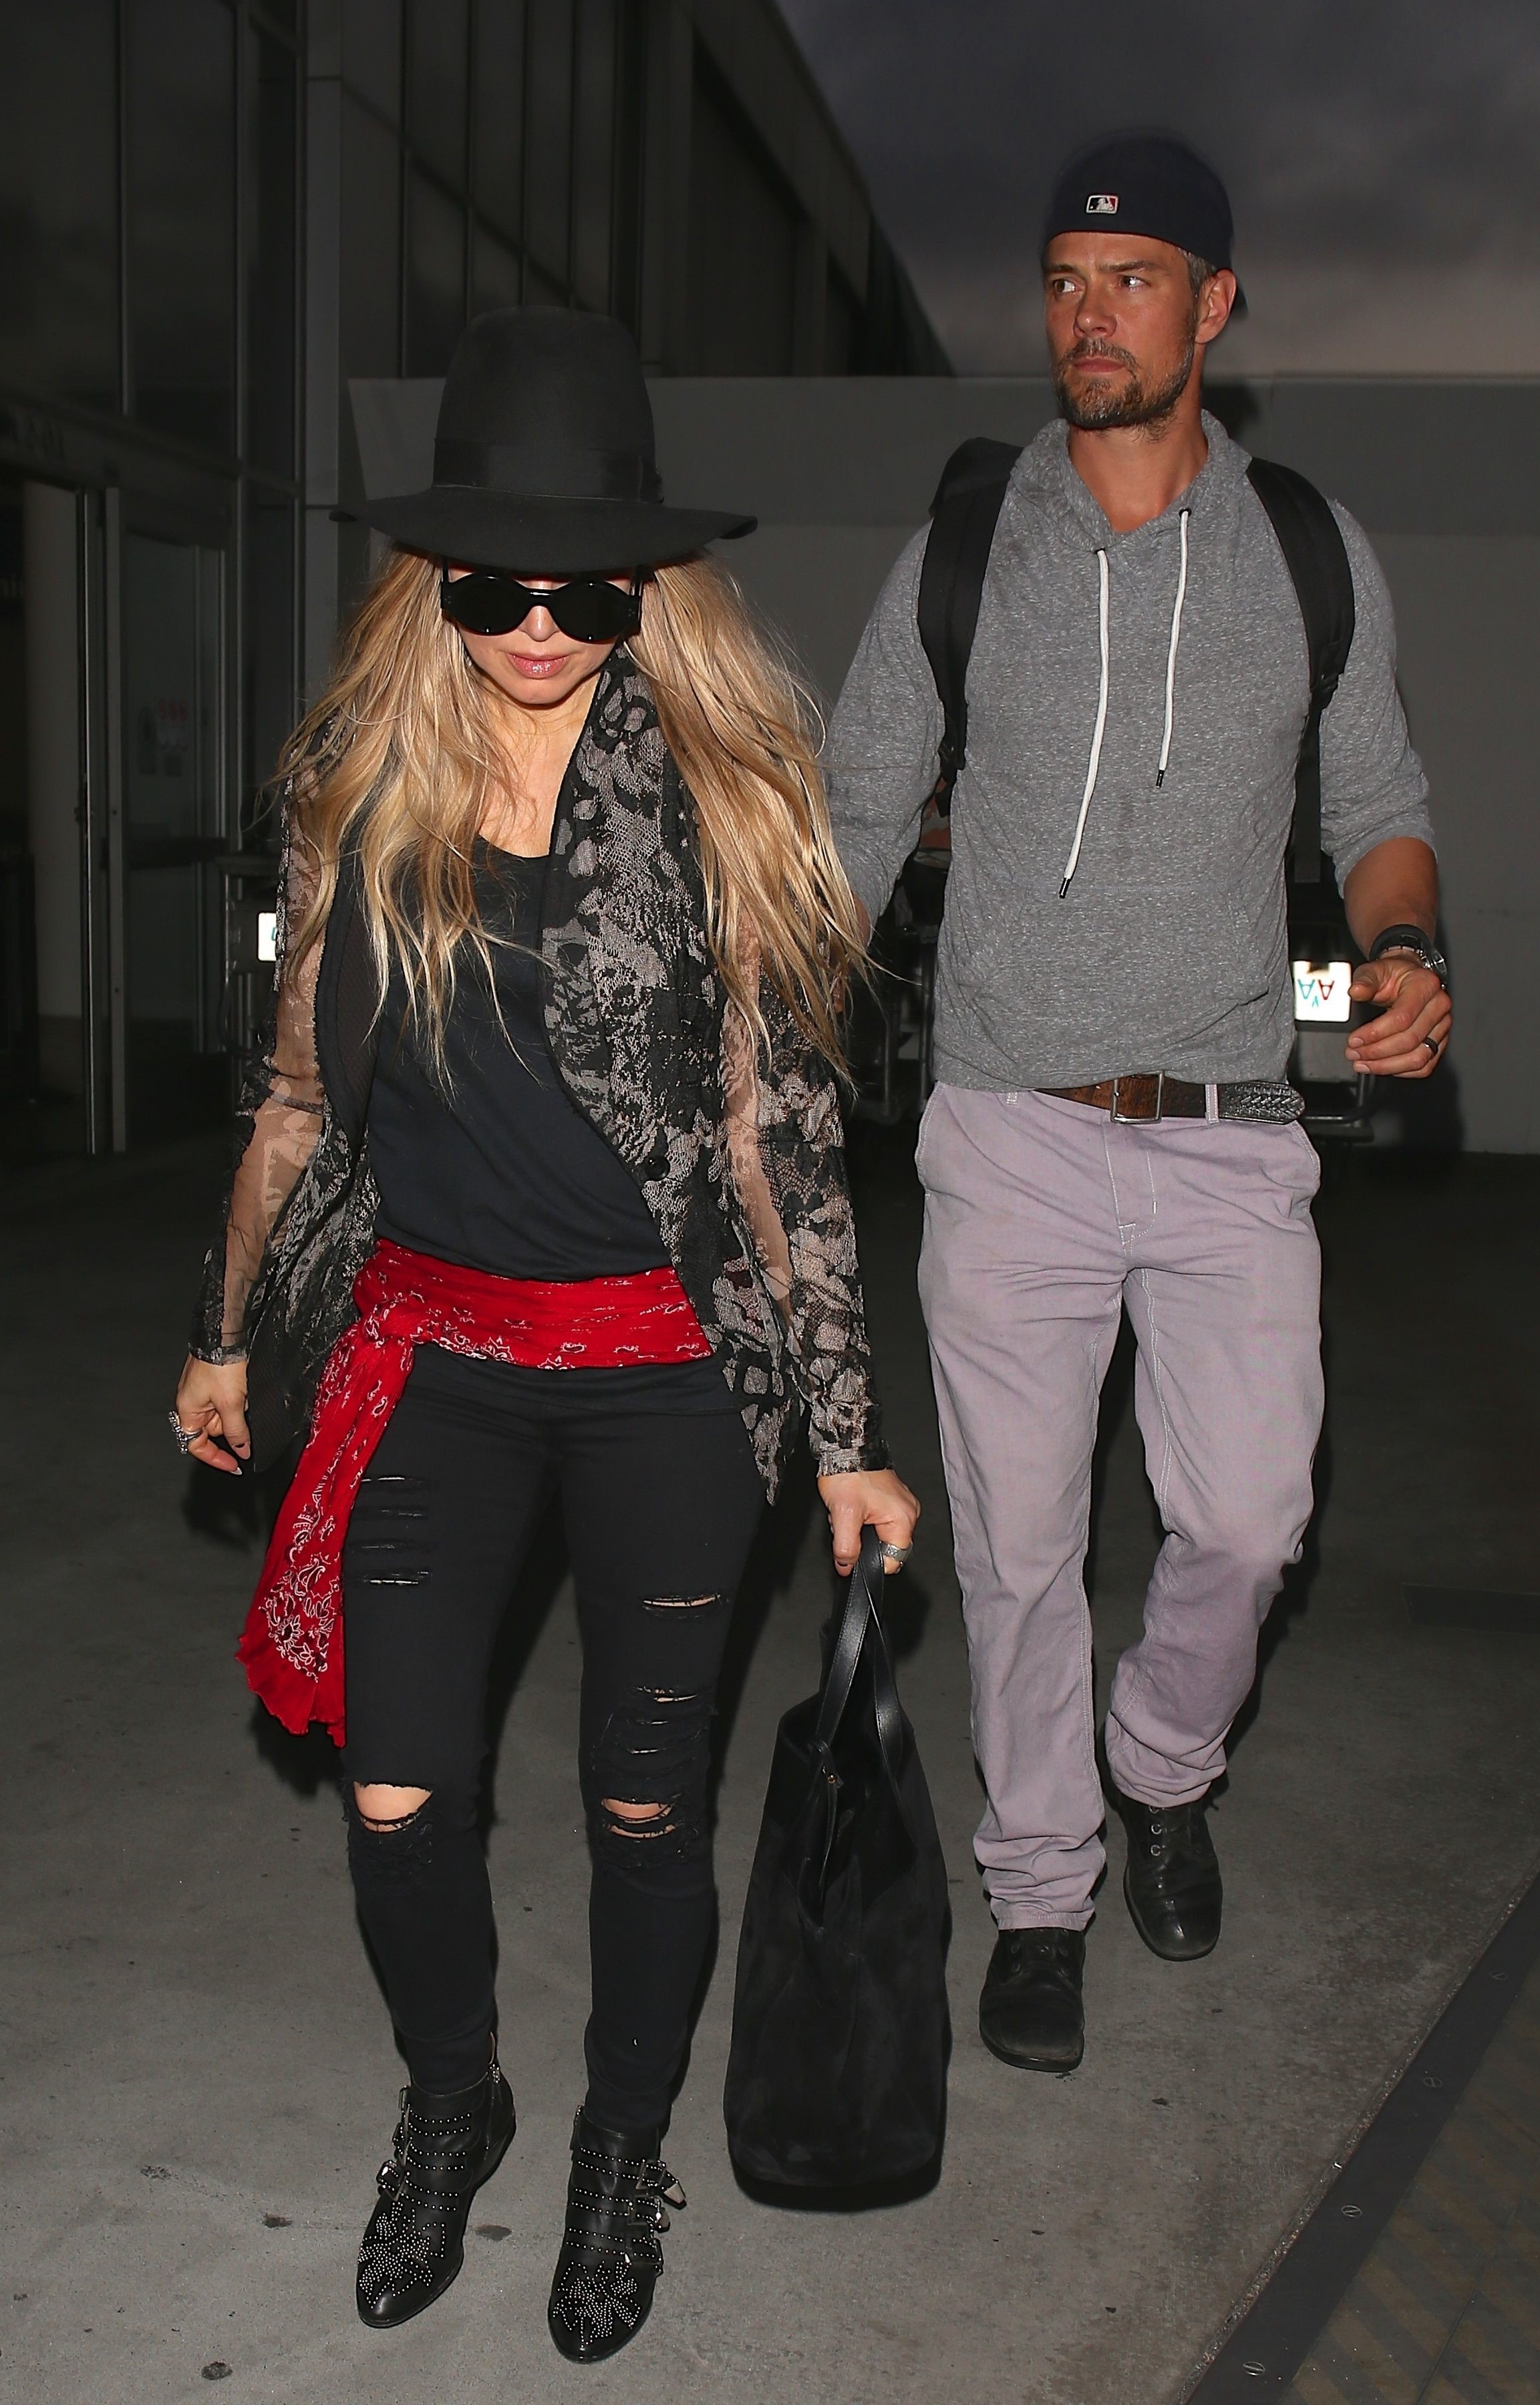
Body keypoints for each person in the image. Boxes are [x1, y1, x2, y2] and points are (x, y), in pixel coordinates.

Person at [172, 307, 918, 2361]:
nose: (533, 627)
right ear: (435, 583)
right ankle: (455, 2100)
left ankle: (618, 2141)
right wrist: (228, 1333)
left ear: (647, 590)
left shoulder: (715, 800)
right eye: (491, 586)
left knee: (641, 1800)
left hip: (669, 1376)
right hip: (430, 1357)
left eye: (583, 590)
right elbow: (299, 1100)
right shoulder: (357, 792)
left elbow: (781, 1146)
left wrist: (847, 1426)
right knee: (400, 1793)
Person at [826, 134, 1448, 2077]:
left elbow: (1377, 814)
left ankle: (1160, 1765)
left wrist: (1408, 956)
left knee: (1248, 1522)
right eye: (1064, 280)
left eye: (1134, 277)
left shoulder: (1307, 557)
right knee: (1013, 1551)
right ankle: (1039, 1890)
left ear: (1214, 305)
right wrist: (747, 1011)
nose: (1091, 314)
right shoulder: (957, 551)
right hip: (1007, 1127)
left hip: (1234, 1130)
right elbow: (846, 820)